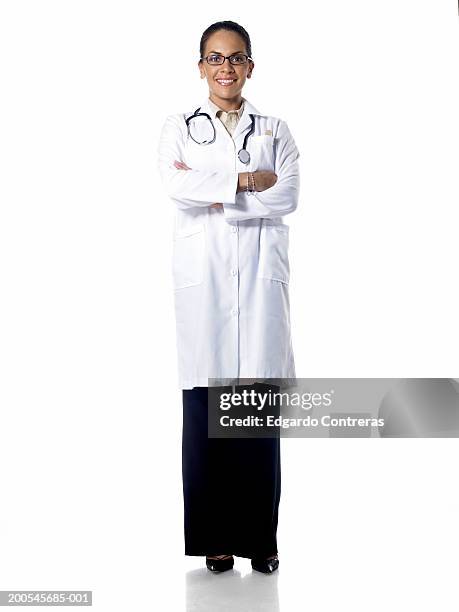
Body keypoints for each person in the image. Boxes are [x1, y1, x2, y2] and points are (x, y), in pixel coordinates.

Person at [157, 20, 300, 573]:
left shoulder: (276, 128)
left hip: (260, 285)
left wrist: (213, 188)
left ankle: (260, 541)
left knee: (256, 419)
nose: (225, 68)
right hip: (205, 284)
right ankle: (216, 540)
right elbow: (175, 186)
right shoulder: (179, 127)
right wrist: (244, 181)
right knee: (206, 417)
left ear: (249, 66)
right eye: (215, 58)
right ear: (201, 67)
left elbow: (286, 195)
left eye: (236, 58)